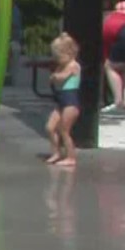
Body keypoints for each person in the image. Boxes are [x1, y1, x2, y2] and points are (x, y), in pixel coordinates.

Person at [45, 32, 81, 167]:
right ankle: (56, 152)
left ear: (69, 53)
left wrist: (55, 77)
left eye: (59, 56)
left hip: (71, 102)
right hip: (61, 100)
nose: (57, 60)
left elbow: (63, 77)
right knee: (50, 127)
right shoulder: (61, 65)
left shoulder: (73, 65)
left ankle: (71, 157)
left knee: (64, 130)